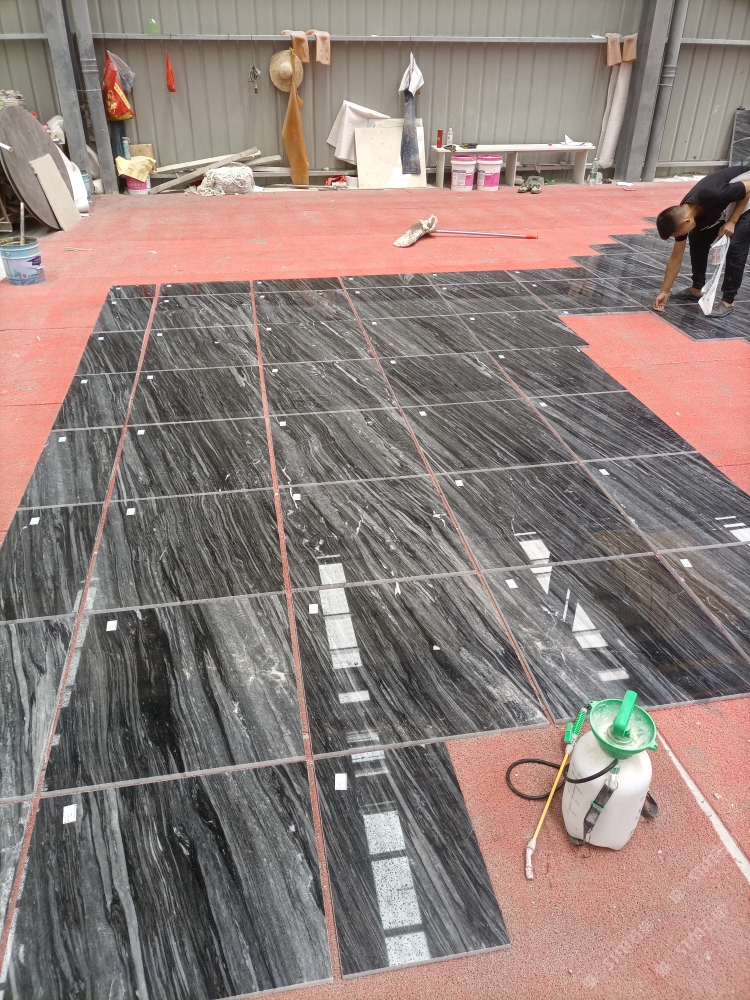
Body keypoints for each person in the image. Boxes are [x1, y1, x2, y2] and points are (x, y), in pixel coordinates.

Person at [652, 164, 750, 317]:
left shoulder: (714, 194)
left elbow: (748, 187)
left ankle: (728, 301)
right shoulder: (681, 216)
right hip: (729, 202)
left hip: (747, 198)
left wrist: (732, 221)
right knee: (697, 237)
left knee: (735, 245)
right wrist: (664, 291)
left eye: (680, 233)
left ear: (686, 222)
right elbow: (676, 257)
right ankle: (696, 289)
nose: (681, 235)